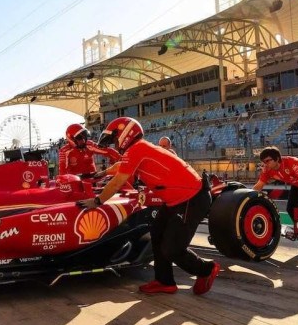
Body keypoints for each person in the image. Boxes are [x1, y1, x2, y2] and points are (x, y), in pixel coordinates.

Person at [77, 117, 220, 295]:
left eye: (114, 139)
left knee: (171, 248)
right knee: (157, 234)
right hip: (178, 200)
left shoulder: (138, 149)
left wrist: (97, 202)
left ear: (125, 134)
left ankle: (206, 269)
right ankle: (164, 281)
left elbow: (116, 183)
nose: (114, 143)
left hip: (191, 198)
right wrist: (101, 173)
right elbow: (121, 166)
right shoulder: (139, 149)